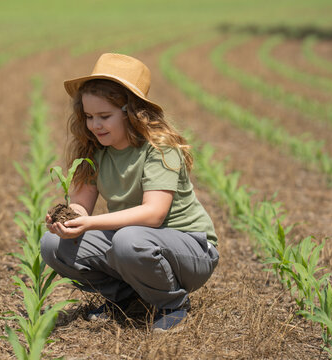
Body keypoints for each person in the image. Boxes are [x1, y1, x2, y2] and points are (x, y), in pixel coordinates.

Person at [40, 53, 219, 332]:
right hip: (137, 244)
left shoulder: (160, 148)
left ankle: (172, 303)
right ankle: (126, 299)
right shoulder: (95, 153)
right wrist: (68, 220)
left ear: (131, 111)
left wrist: (89, 223)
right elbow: (81, 206)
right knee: (52, 246)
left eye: (104, 116)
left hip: (191, 250)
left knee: (128, 240)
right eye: (88, 116)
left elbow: (154, 214)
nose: (94, 125)